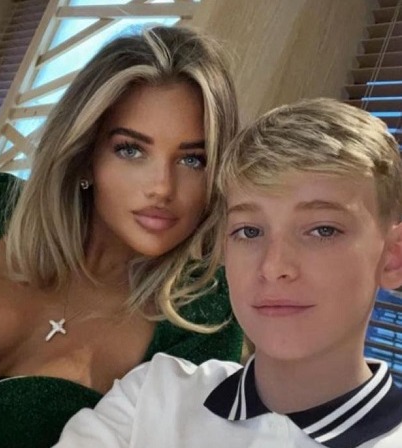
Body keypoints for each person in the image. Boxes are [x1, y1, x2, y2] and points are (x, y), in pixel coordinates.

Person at [0, 26, 243, 447]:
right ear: (86, 153)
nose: (162, 188)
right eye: (131, 150)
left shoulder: (204, 319)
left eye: (192, 160)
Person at [55, 97, 402, 448]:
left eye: (322, 230)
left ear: (393, 258)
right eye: (249, 231)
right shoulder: (152, 397)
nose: (273, 267)